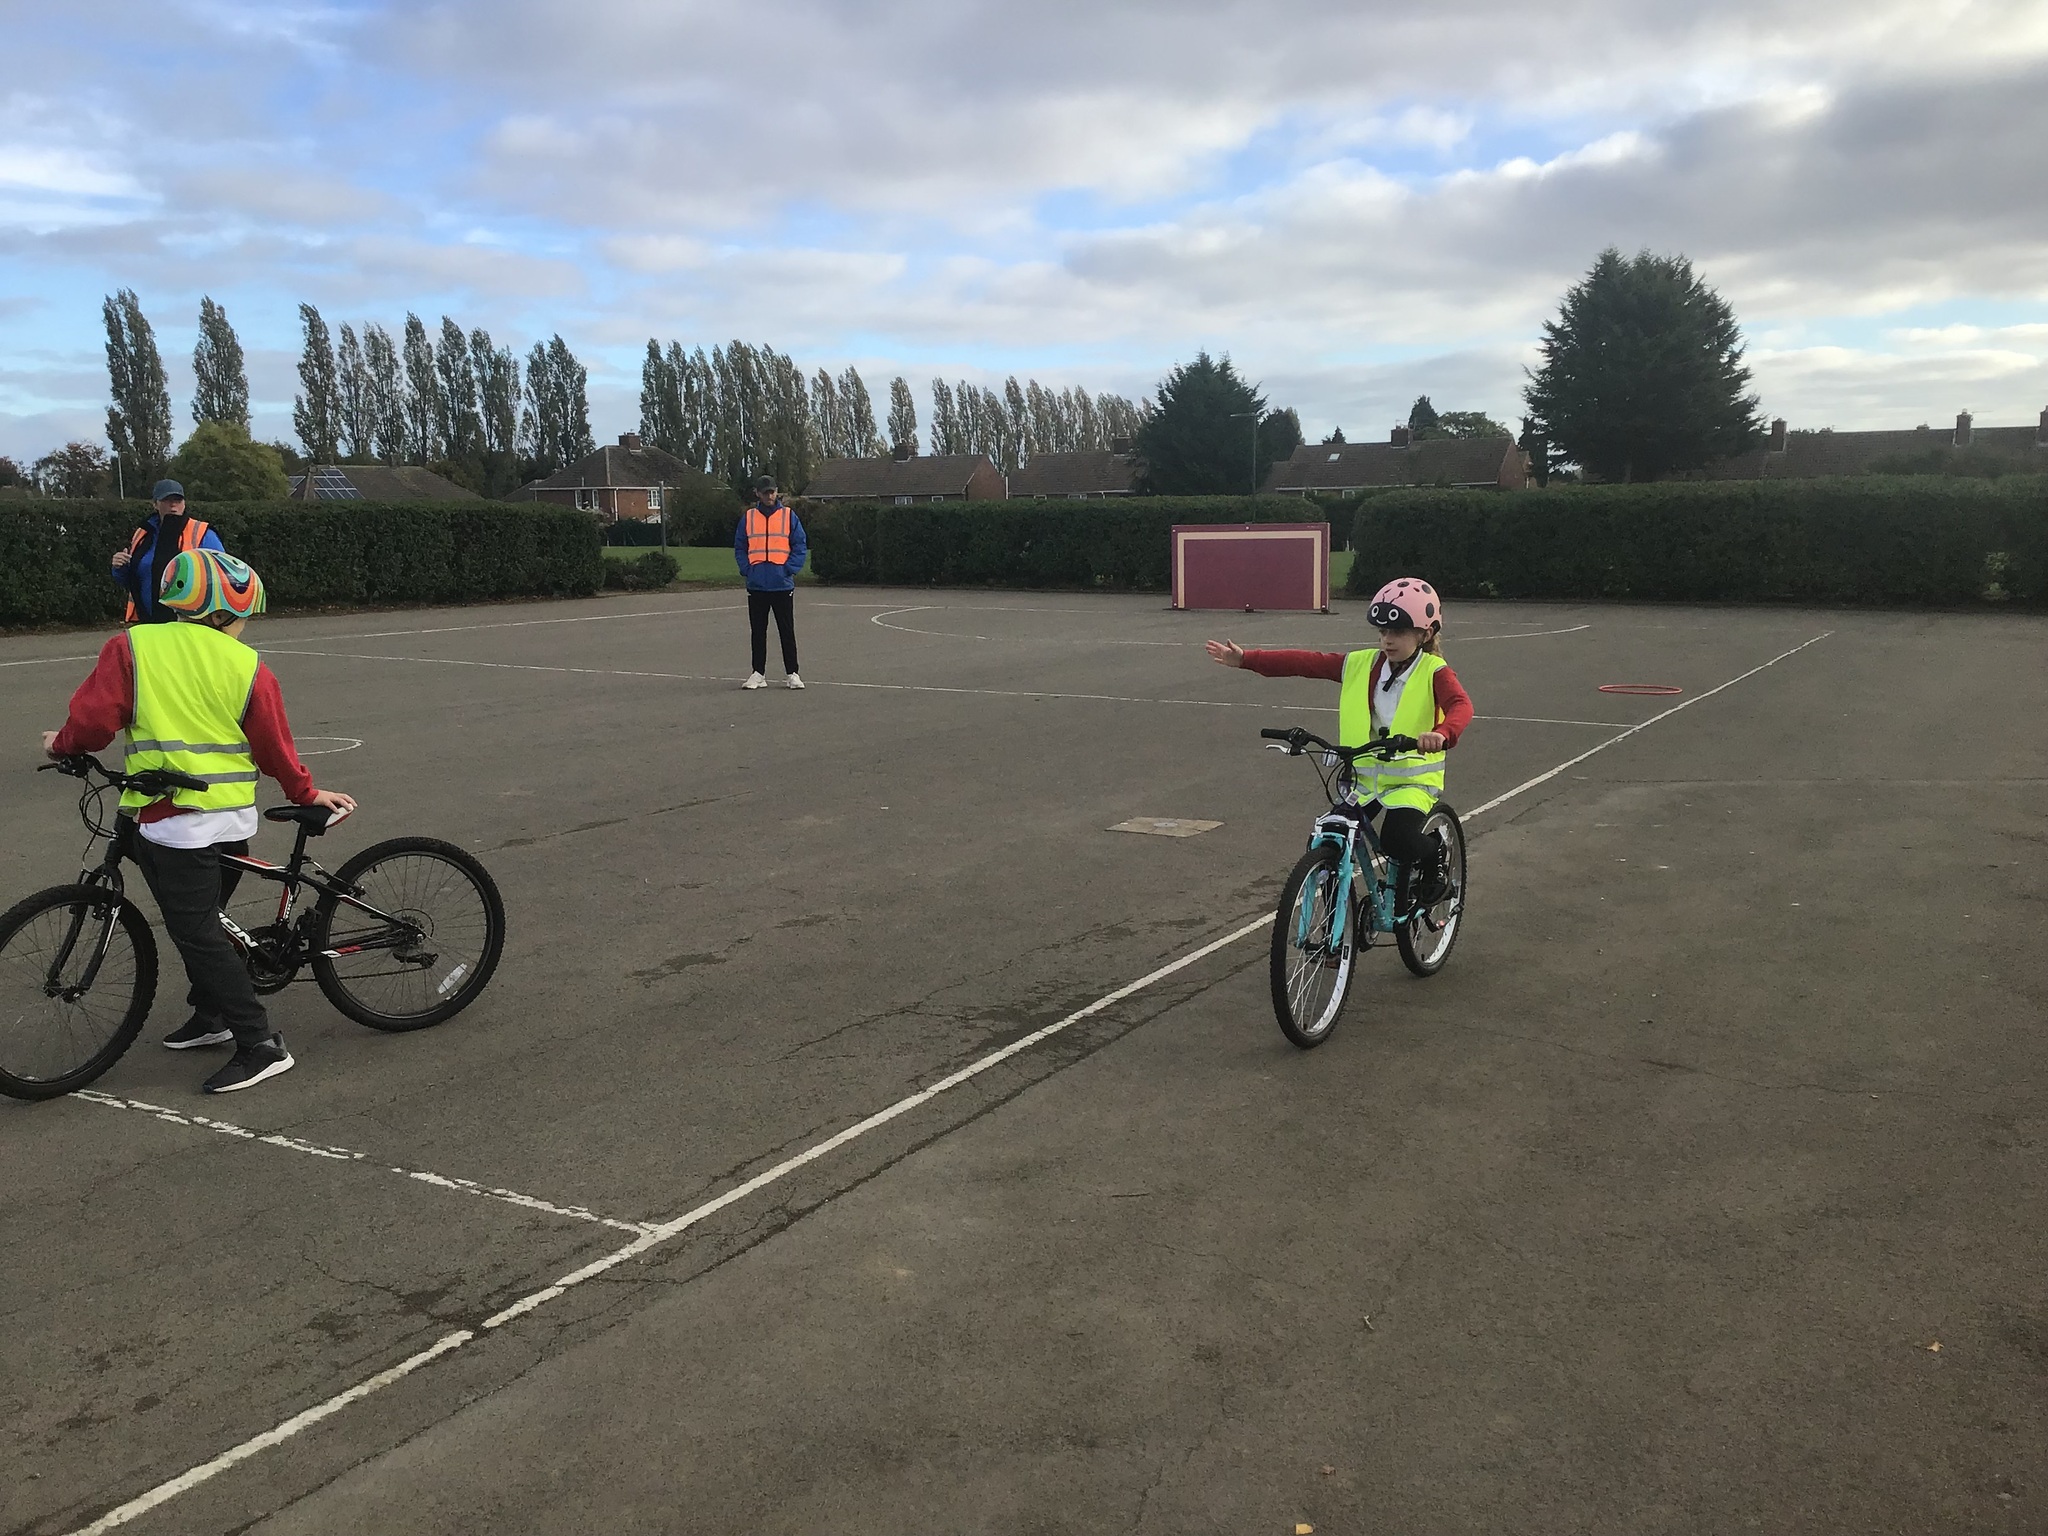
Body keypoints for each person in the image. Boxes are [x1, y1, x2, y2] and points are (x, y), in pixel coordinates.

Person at [44, 548, 355, 1094]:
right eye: (243, 617)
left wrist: (62, 745)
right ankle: (213, 1015)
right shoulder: (248, 665)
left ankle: (259, 1042)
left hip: (180, 821)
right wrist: (305, 791)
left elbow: (92, 723)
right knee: (201, 922)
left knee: (197, 929)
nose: (243, 627)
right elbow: (274, 748)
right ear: (223, 612)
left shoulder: (132, 646)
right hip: (225, 819)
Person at [1207, 576, 1474, 905]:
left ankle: (1436, 854)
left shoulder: (1433, 670)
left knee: (1397, 840)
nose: (1387, 640)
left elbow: (1461, 705)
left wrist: (1443, 733)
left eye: (1398, 632)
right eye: (1383, 631)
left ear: (1426, 634)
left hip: (1410, 781)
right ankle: (1336, 915)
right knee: (1330, 834)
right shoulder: (1362, 664)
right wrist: (1247, 659)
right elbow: (1306, 663)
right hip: (1363, 779)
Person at [110, 479, 226, 624]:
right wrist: (119, 567)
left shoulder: (203, 533)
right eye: (167, 500)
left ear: (184, 503)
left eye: (178, 500)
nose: (173, 505)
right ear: (155, 504)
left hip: (190, 623)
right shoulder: (143, 533)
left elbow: (223, 577)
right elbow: (133, 579)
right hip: (148, 622)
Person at [734, 474, 808, 690]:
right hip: (757, 584)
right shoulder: (749, 518)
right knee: (758, 631)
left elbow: (799, 544)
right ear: (757, 493)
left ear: (776, 492)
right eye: (765, 492)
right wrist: (747, 569)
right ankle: (758, 673)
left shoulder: (789, 516)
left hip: (781, 584)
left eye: (772, 492)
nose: (770, 496)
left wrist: (789, 569)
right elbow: (740, 546)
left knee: (787, 630)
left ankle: (792, 673)